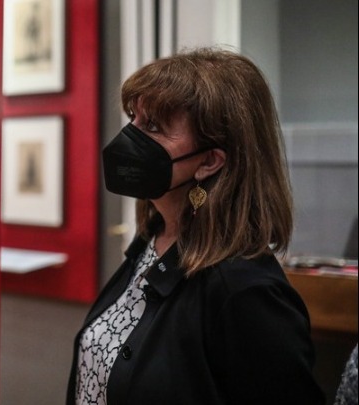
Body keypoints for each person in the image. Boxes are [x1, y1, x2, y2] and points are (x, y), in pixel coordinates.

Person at [67, 47, 324, 404]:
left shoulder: (245, 292)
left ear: (209, 162)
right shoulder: (153, 241)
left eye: (153, 126)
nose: (128, 137)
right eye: (134, 118)